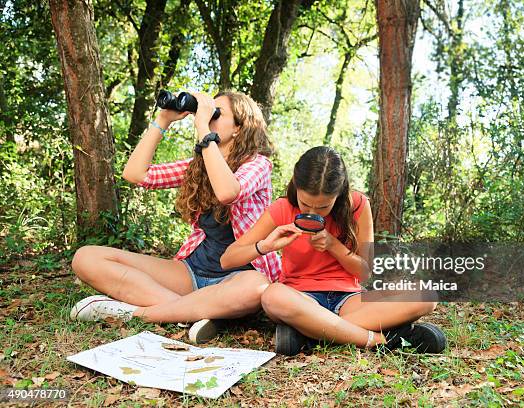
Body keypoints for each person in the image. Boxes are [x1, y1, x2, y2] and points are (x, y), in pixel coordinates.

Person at [69, 90, 280, 343]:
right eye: (208, 112)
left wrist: (203, 126)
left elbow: (227, 192)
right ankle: (194, 311)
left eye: (217, 113)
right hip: (192, 272)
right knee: (86, 257)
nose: (209, 117)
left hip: (239, 277)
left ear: (238, 127)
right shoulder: (197, 166)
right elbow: (136, 174)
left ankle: (136, 313)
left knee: (256, 287)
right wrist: (163, 120)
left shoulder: (258, 164)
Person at [221, 146, 446, 355]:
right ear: (296, 187)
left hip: (348, 300)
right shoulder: (282, 208)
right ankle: (381, 340)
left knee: (425, 295)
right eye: (305, 204)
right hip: (301, 299)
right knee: (272, 295)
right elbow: (228, 259)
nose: (312, 211)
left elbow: (365, 273)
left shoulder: (357, 204)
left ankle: (310, 333)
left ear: (338, 194)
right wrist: (266, 246)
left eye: (323, 207)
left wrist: (333, 246)